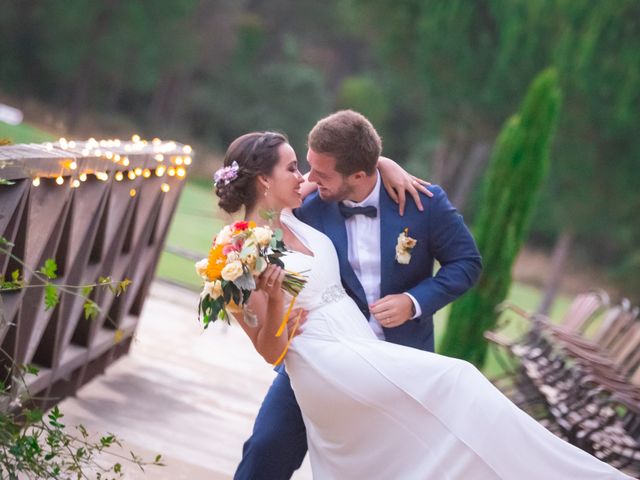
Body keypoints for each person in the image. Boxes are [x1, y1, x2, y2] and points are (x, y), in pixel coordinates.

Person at [217, 121, 631, 479]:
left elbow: (467, 262)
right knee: (267, 451)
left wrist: (413, 300)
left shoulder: (411, 201)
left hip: (386, 348)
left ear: (360, 174)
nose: (307, 175)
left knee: (408, 455)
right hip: (324, 359)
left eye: (310, 169)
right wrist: (273, 300)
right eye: (296, 168)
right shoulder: (287, 216)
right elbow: (269, 343)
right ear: (266, 180)